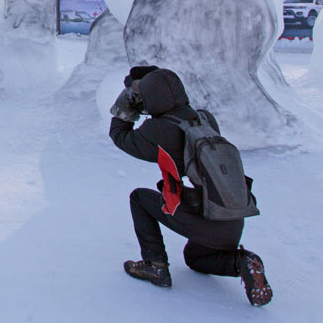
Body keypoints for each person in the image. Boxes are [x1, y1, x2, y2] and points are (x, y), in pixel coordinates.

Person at [108, 66, 272, 306]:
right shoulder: (205, 118)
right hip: (230, 216)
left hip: (204, 215)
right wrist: (155, 80)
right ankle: (242, 261)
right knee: (195, 258)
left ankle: (155, 266)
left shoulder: (160, 130)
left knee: (139, 198)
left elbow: (121, 138)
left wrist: (126, 101)